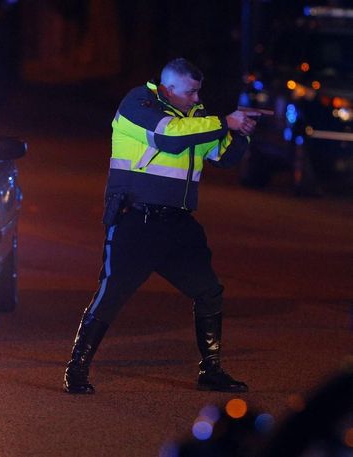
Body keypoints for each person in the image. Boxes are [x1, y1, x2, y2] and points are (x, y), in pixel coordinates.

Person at [63, 58, 258, 394]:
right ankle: (76, 369)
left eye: (199, 92)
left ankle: (211, 371)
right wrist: (224, 120)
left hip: (177, 224)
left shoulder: (195, 117)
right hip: (137, 221)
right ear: (168, 89)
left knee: (209, 291)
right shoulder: (137, 105)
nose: (197, 99)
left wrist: (240, 134)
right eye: (191, 92)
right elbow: (169, 137)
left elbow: (222, 157)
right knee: (111, 295)